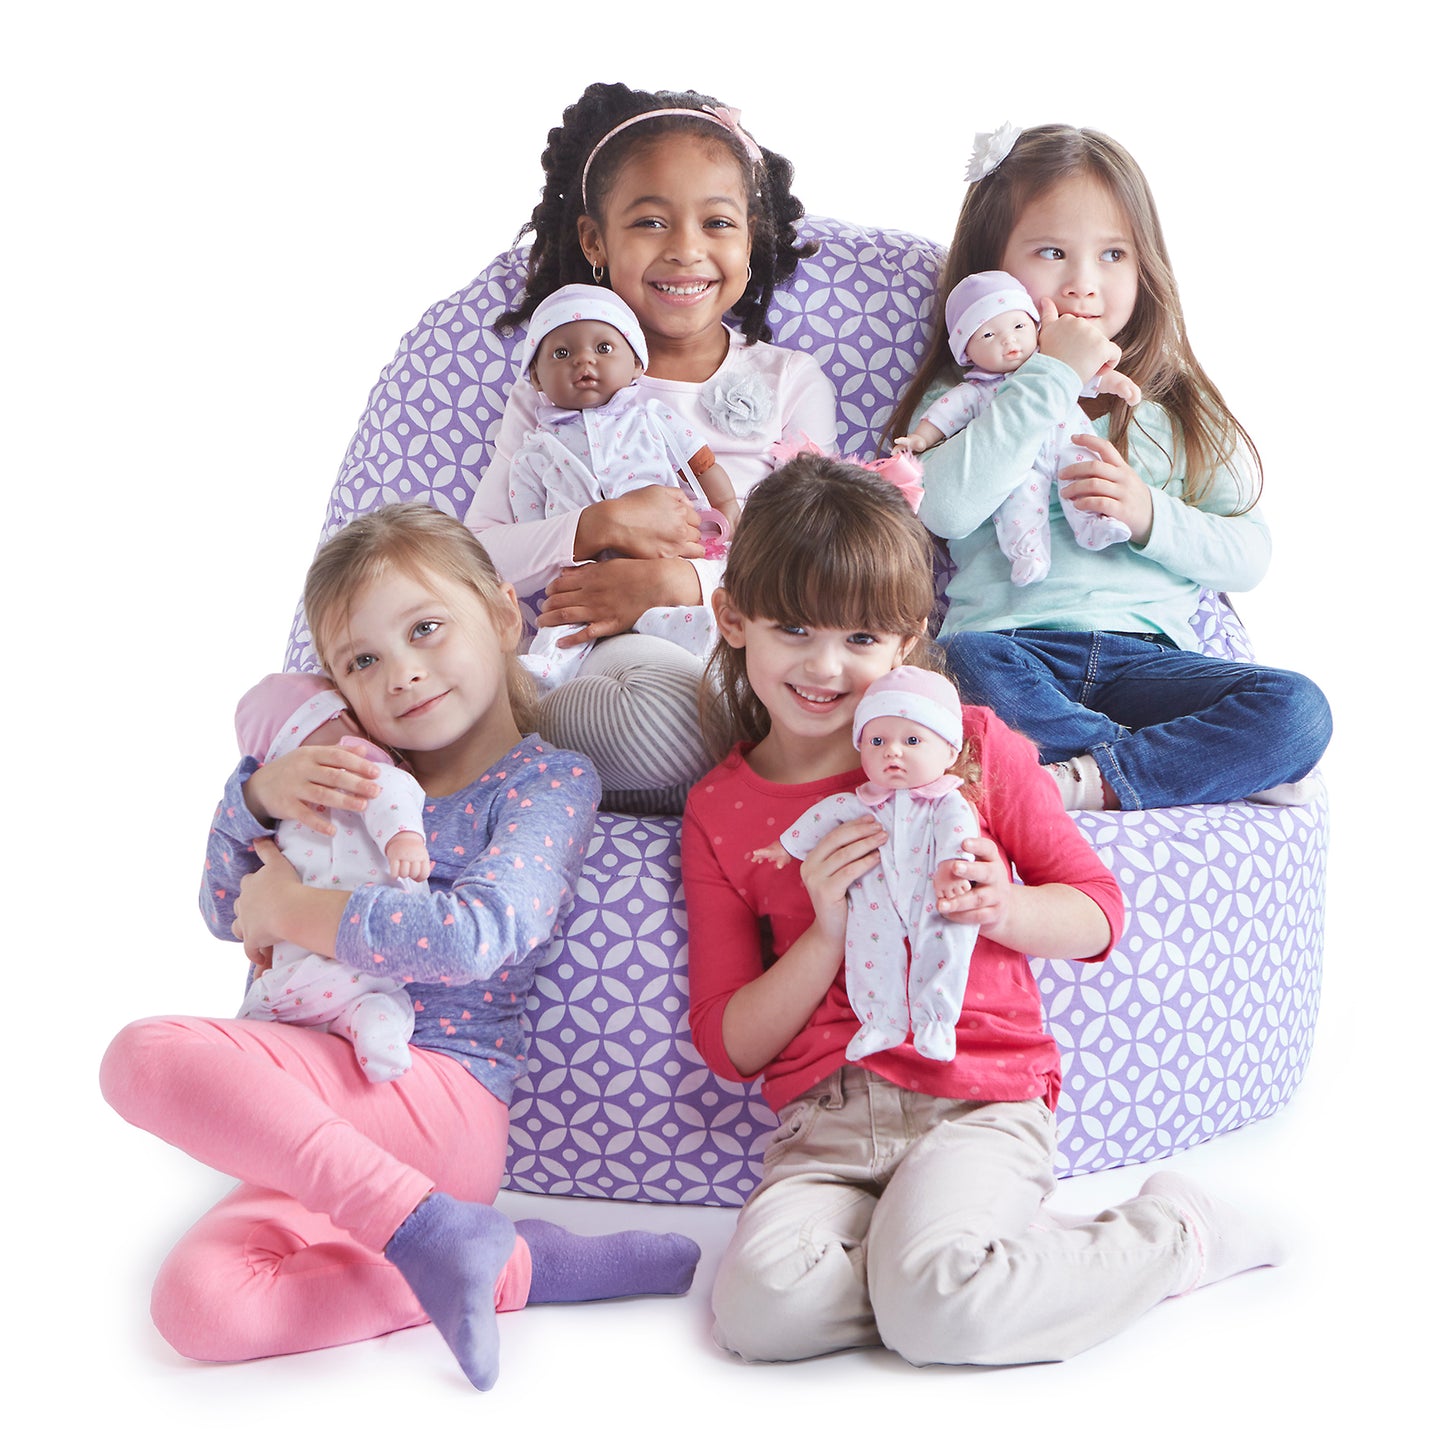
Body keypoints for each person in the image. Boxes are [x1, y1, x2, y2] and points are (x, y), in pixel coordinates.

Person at [683, 456, 1284, 1367]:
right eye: (792, 628)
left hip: (975, 1096)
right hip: (826, 1122)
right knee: (763, 1314)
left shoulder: (970, 746)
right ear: (732, 618)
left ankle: (1170, 1235)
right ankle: (956, 1266)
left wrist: (1001, 908)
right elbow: (730, 1044)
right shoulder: (721, 808)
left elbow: (1096, 913)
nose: (824, 666)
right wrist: (823, 934)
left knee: (938, 1313)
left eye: (860, 637)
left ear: (906, 641)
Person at [101, 504, 700, 1392]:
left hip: (437, 1093)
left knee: (143, 1054)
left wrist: (297, 907)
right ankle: (512, 1262)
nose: (403, 673)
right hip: (328, 1127)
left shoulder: (544, 779)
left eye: (425, 629)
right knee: (200, 1306)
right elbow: (227, 910)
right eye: (363, 661)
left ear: (502, 614)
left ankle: (434, 1227)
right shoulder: (353, 775)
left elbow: (478, 934)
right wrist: (257, 799)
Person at [886, 124, 1331, 811]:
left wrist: (1149, 515)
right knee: (956, 667)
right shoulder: (967, 398)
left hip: (1149, 664)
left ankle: (1081, 776)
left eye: (1113, 254)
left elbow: (1248, 555)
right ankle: (1167, 767)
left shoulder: (1175, 409)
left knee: (1298, 709)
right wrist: (1050, 373)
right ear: (990, 267)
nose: (1083, 284)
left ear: (1144, 265)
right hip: (1011, 652)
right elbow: (944, 509)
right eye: (1052, 252)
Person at [464, 82, 837, 813]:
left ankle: (571, 757)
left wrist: (675, 583)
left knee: (703, 699)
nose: (686, 250)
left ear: (751, 237)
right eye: (650, 222)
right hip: (586, 659)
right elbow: (476, 558)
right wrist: (595, 527)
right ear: (594, 242)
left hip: (735, 652)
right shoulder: (545, 393)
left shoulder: (789, 381)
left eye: (717, 222)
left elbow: (817, 560)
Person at [509, 283, 737, 688]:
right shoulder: (534, 453)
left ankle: (710, 672)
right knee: (564, 629)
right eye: (561, 353)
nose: (584, 360)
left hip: (664, 559)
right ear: (536, 378)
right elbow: (532, 534)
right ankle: (547, 674)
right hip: (587, 575)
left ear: (635, 364)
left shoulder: (650, 418)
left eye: (603, 348)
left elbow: (701, 462)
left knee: (687, 621)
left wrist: (727, 504)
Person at [750, 667, 981, 1064]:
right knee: (869, 950)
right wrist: (787, 846)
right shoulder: (860, 803)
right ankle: (880, 1022)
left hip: (932, 891)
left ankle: (935, 1023)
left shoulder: (946, 803)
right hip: (876, 894)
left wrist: (953, 866)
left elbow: (958, 832)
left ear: (949, 752)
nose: (893, 751)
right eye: (877, 741)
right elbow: (822, 816)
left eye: (912, 740)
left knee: (946, 942)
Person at [233, 671, 431, 1083]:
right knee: (376, 1006)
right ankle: (376, 1031)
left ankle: (244, 1064)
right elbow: (390, 794)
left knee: (254, 1029)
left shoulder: (305, 807)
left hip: (308, 969)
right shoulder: (358, 775)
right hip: (358, 964)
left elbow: (391, 796)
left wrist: (404, 839)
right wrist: (405, 840)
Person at [892, 269, 1141, 585]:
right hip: (1023, 465)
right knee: (1019, 506)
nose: (1008, 340)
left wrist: (1116, 383)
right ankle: (1028, 555)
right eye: (988, 335)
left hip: (1070, 444)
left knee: (1088, 474)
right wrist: (920, 438)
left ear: (1035, 326)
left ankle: (1095, 525)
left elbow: (1088, 376)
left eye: (1019, 326)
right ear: (966, 352)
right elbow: (944, 415)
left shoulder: (1052, 366)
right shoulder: (976, 391)